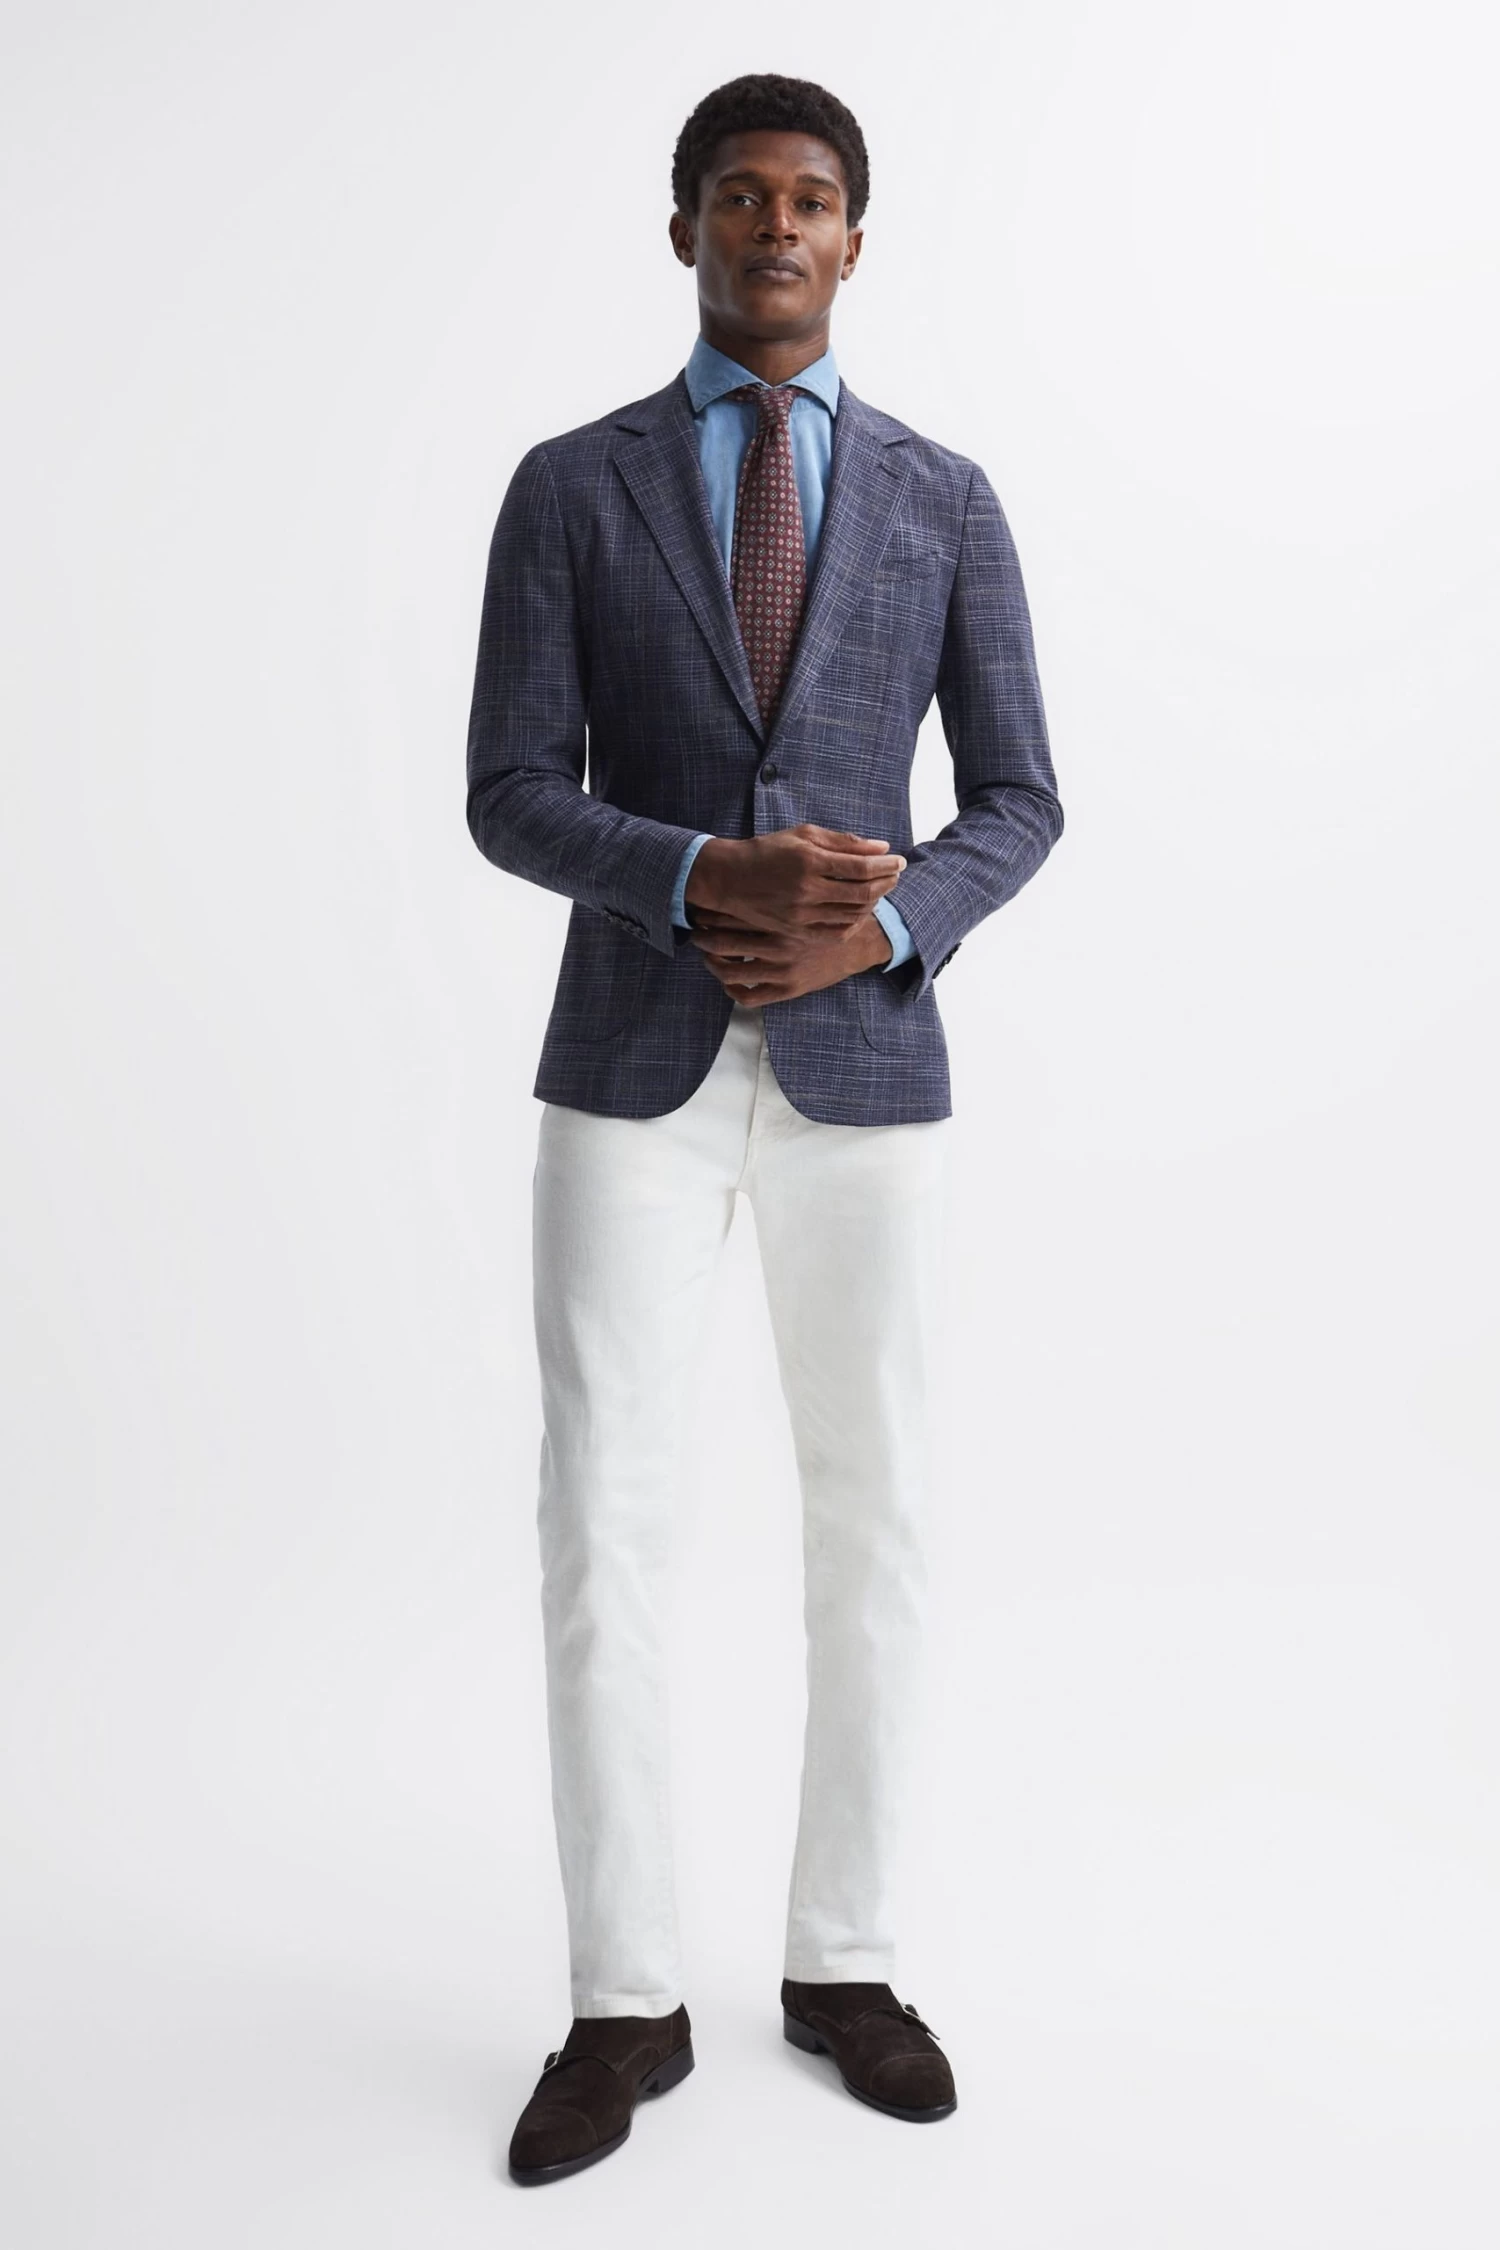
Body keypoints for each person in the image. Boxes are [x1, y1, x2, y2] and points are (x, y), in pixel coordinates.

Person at [464, 71, 1063, 2185]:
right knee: (602, 1526)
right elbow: (509, 789)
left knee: (876, 1513)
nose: (777, 225)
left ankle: (845, 1960)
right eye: (740, 194)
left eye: (812, 198)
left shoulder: (943, 499)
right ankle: (624, 2000)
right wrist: (705, 875)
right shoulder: (571, 487)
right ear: (687, 230)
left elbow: (1021, 797)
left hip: (865, 1071)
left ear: (854, 241)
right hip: (629, 1065)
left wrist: (880, 921)